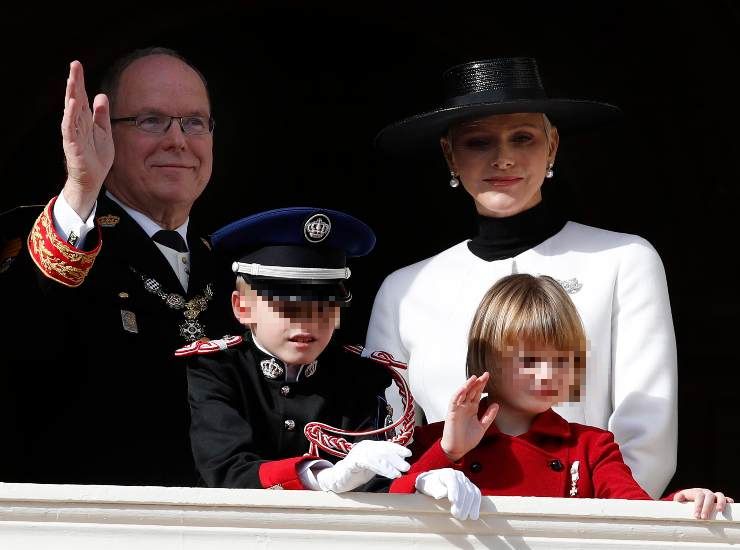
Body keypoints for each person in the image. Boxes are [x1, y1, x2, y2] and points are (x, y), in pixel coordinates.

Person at [365, 57, 677, 498]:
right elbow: (392, 439)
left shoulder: (622, 260)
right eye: (478, 142)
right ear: (449, 154)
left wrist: (610, 529)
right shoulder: (405, 289)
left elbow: (648, 430)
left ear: (552, 146)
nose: (504, 157)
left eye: (523, 138)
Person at [2, 47, 236, 485]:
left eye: (194, 122)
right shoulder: (58, 233)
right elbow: (21, 331)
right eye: (151, 120)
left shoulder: (236, 268)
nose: (177, 140)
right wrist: (81, 189)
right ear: (101, 131)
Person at [389, 274, 730, 522]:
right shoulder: (433, 439)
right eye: (531, 360)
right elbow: (387, 513)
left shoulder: (591, 447)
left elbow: (636, 515)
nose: (549, 373)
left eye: (564, 359)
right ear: (487, 359)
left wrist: (682, 505)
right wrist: (449, 452)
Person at [183, 207, 412, 491]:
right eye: (288, 308)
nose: (307, 323)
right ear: (242, 307)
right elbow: (226, 468)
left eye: (325, 308)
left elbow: (380, 481)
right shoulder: (218, 369)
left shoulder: (359, 376)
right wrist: (315, 476)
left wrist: (424, 477)